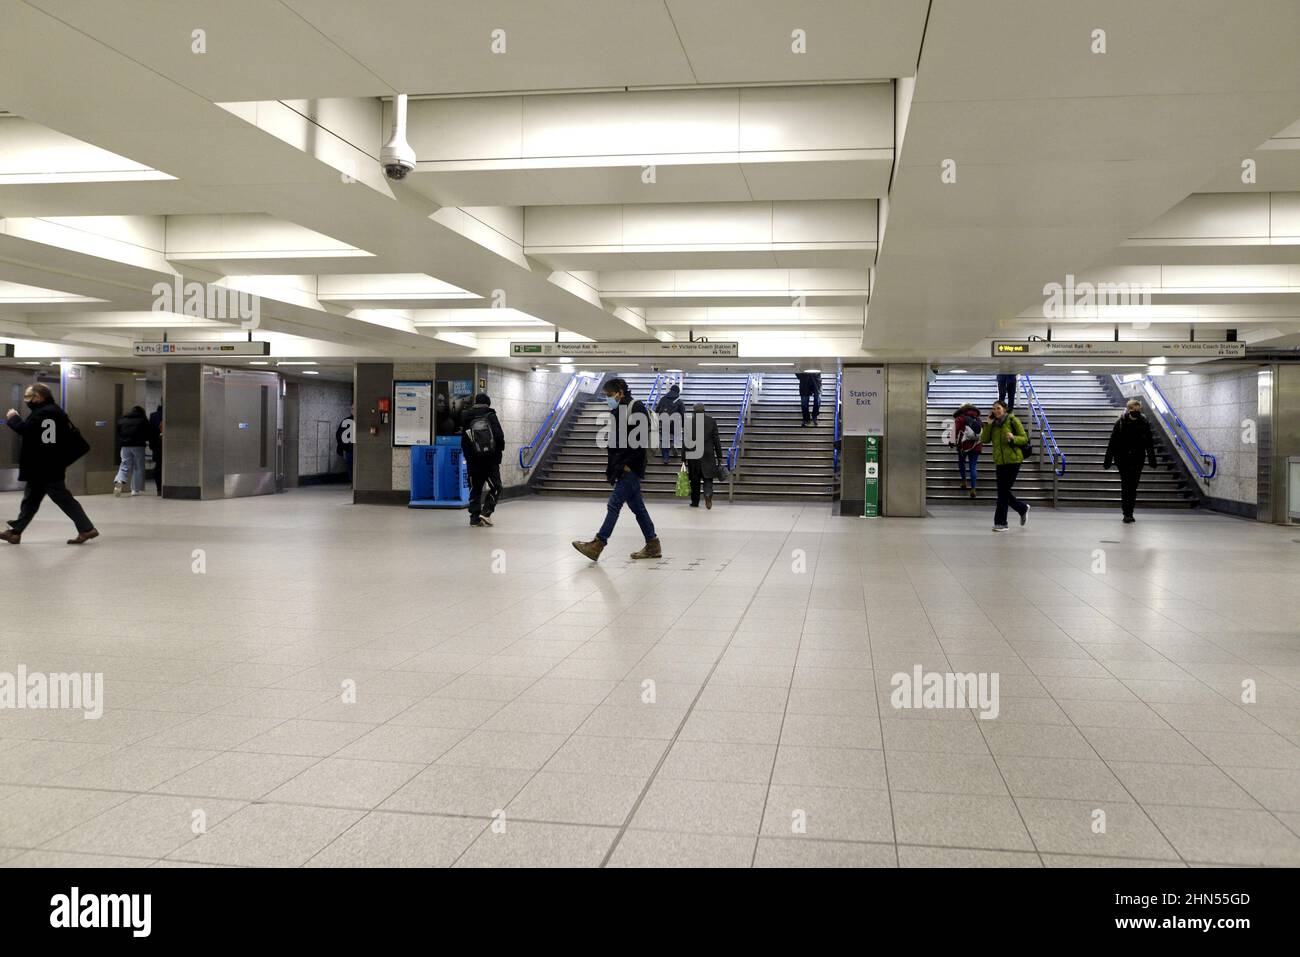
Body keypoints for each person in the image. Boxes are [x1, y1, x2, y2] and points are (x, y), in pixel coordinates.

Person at [571, 377, 661, 561]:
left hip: (630, 466)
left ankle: (598, 544)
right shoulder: (617, 410)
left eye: (609, 395)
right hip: (621, 466)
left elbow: (640, 440)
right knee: (638, 508)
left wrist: (628, 465)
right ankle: (653, 544)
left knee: (614, 504)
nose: (607, 399)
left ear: (620, 392)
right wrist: (613, 467)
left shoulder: (636, 408)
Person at [0, 383, 98, 545]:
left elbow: (27, 430)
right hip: (48, 464)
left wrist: (14, 418)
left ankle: (87, 529)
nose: (26, 400)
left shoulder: (45, 413)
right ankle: (15, 532)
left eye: (28, 396)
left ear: (38, 397)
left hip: (44, 465)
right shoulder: (54, 411)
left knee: (61, 498)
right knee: (31, 499)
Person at [1104, 398, 1157, 524]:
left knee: (1133, 486)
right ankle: (1126, 513)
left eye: (1138, 410)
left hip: (1138, 459)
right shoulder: (1120, 422)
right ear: (1129, 409)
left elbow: (1149, 442)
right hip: (1123, 459)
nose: (1136, 411)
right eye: (1134, 409)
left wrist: (1152, 459)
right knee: (1126, 484)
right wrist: (1108, 460)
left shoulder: (1144, 422)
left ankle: (1130, 511)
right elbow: (1113, 442)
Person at [980, 400, 1030, 532]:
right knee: (1003, 491)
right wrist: (988, 425)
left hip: (1014, 460)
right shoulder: (993, 424)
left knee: (1002, 492)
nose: (996, 411)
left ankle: (1001, 523)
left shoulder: (1013, 420)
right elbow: (984, 440)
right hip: (1000, 462)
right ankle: (1021, 508)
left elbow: (1025, 438)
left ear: (1005, 409)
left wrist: (1013, 437)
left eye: (998, 408)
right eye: (994, 409)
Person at [460, 392, 505, 528]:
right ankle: (486, 513)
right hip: (490, 461)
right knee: (496, 487)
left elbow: (464, 442)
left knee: (475, 488)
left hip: (473, 462)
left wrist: (469, 457)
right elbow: (499, 437)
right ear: (488, 403)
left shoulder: (467, 417)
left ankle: (474, 518)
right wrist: (497, 454)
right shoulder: (490, 416)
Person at [685, 403, 724, 510]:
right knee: (708, 478)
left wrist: (683, 458)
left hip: (693, 455)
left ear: (694, 411)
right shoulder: (711, 421)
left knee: (694, 480)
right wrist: (720, 455)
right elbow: (716, 440)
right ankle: (707, 494)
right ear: (704, 410)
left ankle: (695, 501)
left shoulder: (689, 423)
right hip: (708, 455)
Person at [113, 405, 152, 497]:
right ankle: (135, 490)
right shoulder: (142, 420)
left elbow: (118, 432)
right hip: (138, 446)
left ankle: (119, 480)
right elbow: (148, 433)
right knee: (138, 467)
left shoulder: (122, 419)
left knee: (124, 464)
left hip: (125, 446)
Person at [952, 403, 983, 500]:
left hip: (963, 446)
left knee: (961, 462)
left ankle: (964, 482)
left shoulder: (960, 418)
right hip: (976, 445)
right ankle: (973, 489)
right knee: (973, 466)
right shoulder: (977, 418)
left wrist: (952, 442)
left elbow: (955, 431)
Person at [654, 382, 684, 464]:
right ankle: (675, 444)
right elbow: (682, 413)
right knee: (677, 434)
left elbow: (657, 410)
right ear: (677, 392)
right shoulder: (679, 401)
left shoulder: (663, 399)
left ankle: (666, 458)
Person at [335, 406, 355, 483]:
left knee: (351, 466)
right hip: (349, 449)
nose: (353, 410)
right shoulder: (346, 421)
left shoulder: (347, 421)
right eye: (352, 409)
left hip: (351, 449)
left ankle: (354, 482)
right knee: (350, 466)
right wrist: (343, 447)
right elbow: (339, 435)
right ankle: (353, 481)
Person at [148, 405, 163, 495]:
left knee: (158, 467)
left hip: (157, 446)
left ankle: (159, 489)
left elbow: (151, 432)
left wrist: (152, 445)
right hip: (170, 446)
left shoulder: (153, 416)